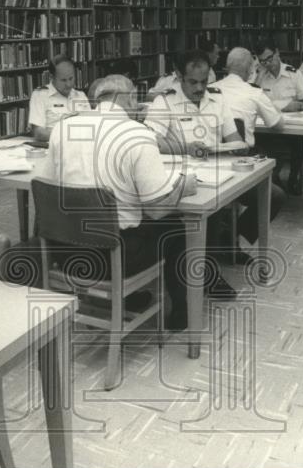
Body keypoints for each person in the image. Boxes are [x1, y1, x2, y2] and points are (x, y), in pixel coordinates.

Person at [37, 74, 198, 331]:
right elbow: (156, 209)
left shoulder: (62, 128)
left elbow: (46, 185)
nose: (137, 107)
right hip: (111, 259)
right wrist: (182, 187)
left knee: (122, 218)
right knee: (177, 226)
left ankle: (127, 298)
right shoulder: (137, 133)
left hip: (66, 253)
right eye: (135, 98)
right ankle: (181, 314)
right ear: (128, 98)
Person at [146, 49, 280, 269]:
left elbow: (235, 139)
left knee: (275, 195)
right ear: (179, 77)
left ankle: (229, 240)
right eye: (193, 82)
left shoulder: (217, 98)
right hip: (186, 176)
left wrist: (236, 148)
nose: (200, 88)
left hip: (221, 170)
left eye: (203, 81)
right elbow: (151, 141)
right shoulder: (165, 101)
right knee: (212, 206)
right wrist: (185, 148)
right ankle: (209, 274)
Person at [211, 47, 288, 261]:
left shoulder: (210, 89)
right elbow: (278, 125)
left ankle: (226, 236)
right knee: (276, 195)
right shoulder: (254, 92)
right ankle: (231, 236)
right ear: (248, 70)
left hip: (211, 162)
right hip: (240, 164)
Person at [253, 43, 303, 194]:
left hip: (291, 128)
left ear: (277, 53)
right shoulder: (259, 76)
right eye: (263, 61)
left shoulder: (294, 74)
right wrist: (283, 106)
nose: (268, 64)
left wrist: (298, 106)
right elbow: (250, 102)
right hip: (267, 129)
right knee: (256, 142)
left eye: (270, 58)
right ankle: (270, 177)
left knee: (299, 143)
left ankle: (293, 178)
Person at [28, 54, 90, 141]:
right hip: (53, 149)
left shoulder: (80, 96)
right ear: (51, 77)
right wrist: (70, 134)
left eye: (71, 78)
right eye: (63, 80)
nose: (68, 84)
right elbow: (39, 133)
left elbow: (89, 128)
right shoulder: (40, 96)